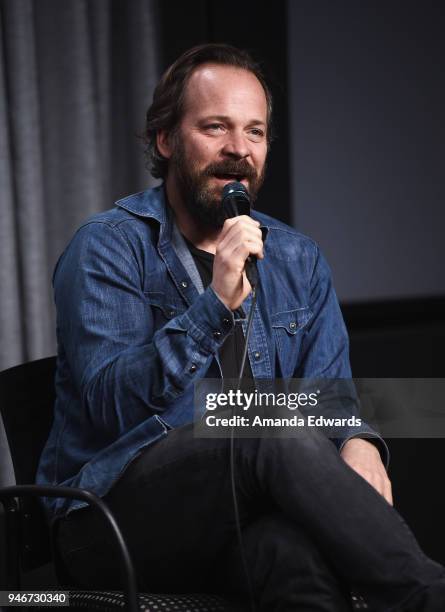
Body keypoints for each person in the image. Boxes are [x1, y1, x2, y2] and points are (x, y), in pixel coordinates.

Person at [37, 44, 445, 610]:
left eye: (255, 132)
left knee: (291, 557)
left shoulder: (297, 258)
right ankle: (427, 597)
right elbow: (109, 405)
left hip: (236, 515)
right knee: (262, 425)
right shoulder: (108, 247)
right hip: (108, 525)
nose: (238, 149)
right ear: (166, 140)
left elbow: (327, 399)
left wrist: (357, 437)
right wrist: (214, 304)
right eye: (215, 127)